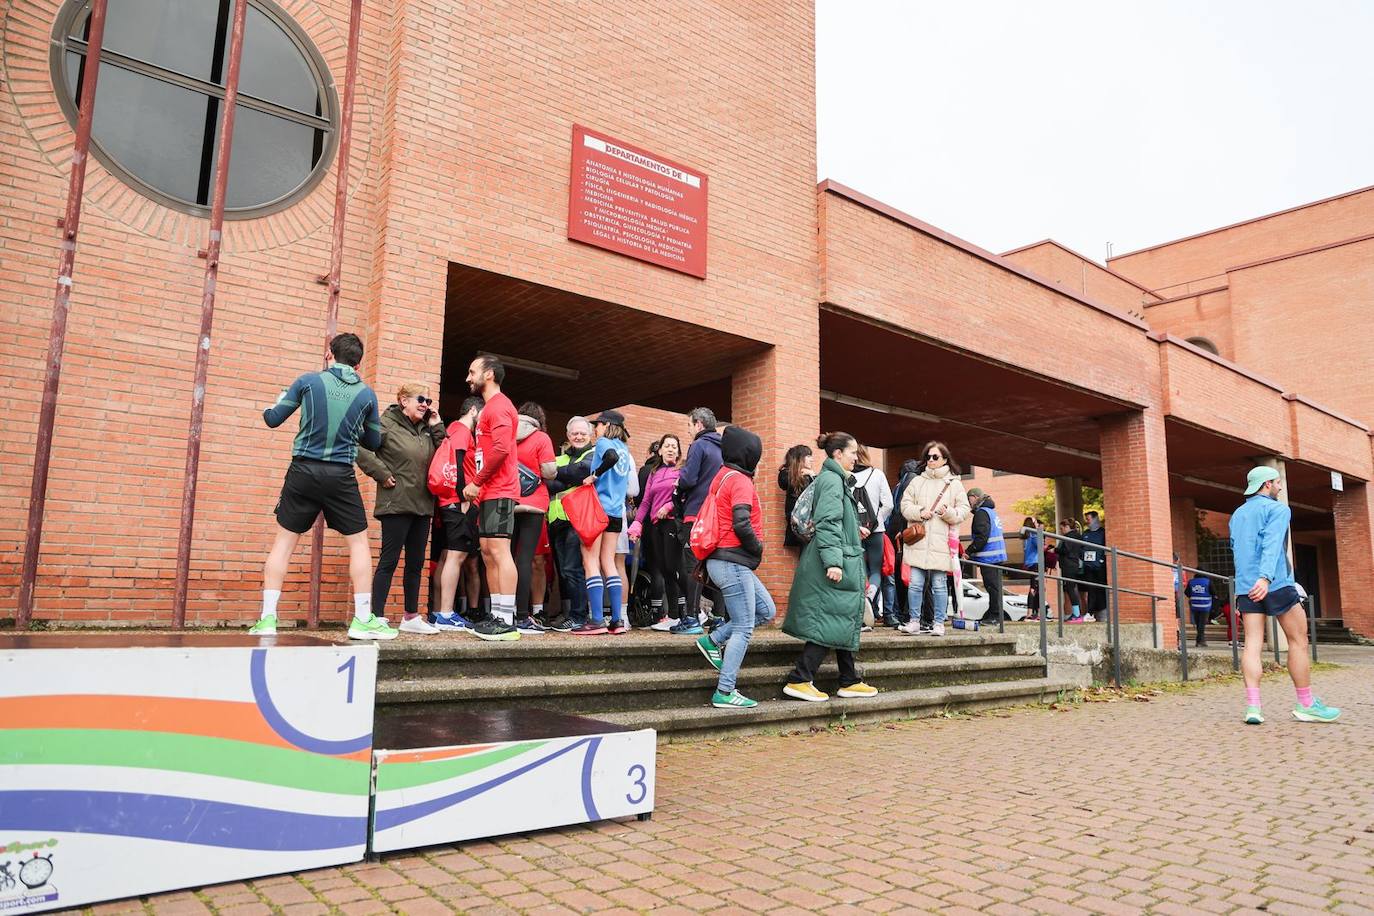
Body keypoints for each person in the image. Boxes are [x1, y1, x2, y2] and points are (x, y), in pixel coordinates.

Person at [251, 333, 393, 640]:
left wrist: (274, 403)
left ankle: (267, 619)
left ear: (330, 354)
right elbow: (373, 441)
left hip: (302, 470)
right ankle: (362, 619)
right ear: (359, 362)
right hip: (340, 475)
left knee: (284, 544)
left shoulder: (307, 381)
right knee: (357, 543)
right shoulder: (367, 395)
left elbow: (273, 419)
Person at [1231, 466, 1340, 724]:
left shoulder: (1237, 514)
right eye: (1278, 483)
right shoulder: (1278, 509)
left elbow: (1237, 550)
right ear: (1267, 484)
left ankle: (1254, 708)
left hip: (1247, 587)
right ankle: (1306, 704)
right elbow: (1271, 543)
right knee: (1298, 640)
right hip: (1275, 582)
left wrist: (1243, 588)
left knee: (1253, 644)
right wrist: (1266, 577)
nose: (1280, 487)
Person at [782, 432, 879, 702]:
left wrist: (853, 528)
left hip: (839, 555)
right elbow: (827, 522)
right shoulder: (833, 481)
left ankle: (849, 679)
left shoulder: (835, 479)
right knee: (831, 618)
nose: (855, 458)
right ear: (837, 454)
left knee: (840, 617)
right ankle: (800, 678)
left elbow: (836, 520)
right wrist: (834, 562)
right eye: (851, 453)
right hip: (834, 560)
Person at [355, 382, 447, 634]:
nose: (425, 404)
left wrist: (436, 425)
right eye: (420, 399)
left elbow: (444, 454)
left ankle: (410, 617)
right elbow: (359, 447)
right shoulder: (385, 423)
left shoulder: (425, 429)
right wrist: (381, 473)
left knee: (417, 563)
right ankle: (377, 616)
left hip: (422, 504)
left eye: (428, 401)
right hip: (395, 503)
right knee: (389, 560)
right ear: (403, 400)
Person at [693, 425, 774, 709]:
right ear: (748, 454)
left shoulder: (722, 476)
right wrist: (758, 548)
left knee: (766, 610)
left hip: (723, 560)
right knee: (743, 628)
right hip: (732, 562)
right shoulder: (739, 480)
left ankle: (712, 640)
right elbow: (741, 522)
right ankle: (725, 691)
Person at [460, 355, 520, 641]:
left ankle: (507, 620)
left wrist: (475, 482)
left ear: (490, 374)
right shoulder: (488, 409)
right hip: (488, 491)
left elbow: (500, 450)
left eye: (473, 372)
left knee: (498, 551)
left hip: (500, 489)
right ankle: (497, 615)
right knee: (487, 551)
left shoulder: (500, 407)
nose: (468, 378)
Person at [897, 442, 969, 636]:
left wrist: (948, 512)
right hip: (919, 540)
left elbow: (964, 510)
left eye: (935, 457)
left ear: (945, 459)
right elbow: (904, 506)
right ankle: (914, 621)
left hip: (940, 542)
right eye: (928, 457)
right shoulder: (917, 481)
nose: (930, 460)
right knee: (915, 584)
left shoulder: (954, 483)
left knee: (938, 584)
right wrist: (920, 512)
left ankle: (938, 623)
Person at [572, 410, 634, 635]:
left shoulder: (604, 443)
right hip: (617, 512)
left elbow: (610, 458)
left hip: (598, 509)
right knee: (609, 562)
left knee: (590, 561)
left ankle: (597, 619)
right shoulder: (625, 449)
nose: (595, 429)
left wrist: (594, 475)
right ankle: (617, 620)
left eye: (597, 425)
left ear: (606, 425)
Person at [431, 396, 483, 630]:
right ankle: (446, 613)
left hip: (449, 501)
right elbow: (459, 463)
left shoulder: (453, 429)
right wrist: (464, 498)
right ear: (473, 411)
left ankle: (439, 611)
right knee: (456, 556)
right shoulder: (462, 430)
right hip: (458, 501)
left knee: (446, 556)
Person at [671, 407, 723, 634]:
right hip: (718, 517)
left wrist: (678, 484)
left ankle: (691, 619)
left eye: (689, 425)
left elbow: (689, 478)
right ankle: (719, 618)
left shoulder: (699, 445)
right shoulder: (724, 449)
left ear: (699, 424)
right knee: (717, 568)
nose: (689, 430)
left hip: (696, 515)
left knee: (692, 567)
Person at [630, 435, 688, 631]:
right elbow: (646, 502)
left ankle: (685, 613)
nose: (671, 449)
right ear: (660, 450)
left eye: (674, 446)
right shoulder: (654, 473)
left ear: (678, 452)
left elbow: (684, 496)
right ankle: (672, 617)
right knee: (664, 570)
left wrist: (669, 506)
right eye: (667, 446)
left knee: (673, 569)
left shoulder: (682, 471)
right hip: (655, 526)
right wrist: (637, 524)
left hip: (672, 524)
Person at [545, 417, 596, 630]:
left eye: (583, 433)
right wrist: (569, 478)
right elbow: (547, 482)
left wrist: (559, 476)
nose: (579, 436)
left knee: (573, 569)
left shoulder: (592, 455)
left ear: (590, 435)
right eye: (574, 433)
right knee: (564, 571)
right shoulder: (559, 459)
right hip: (556, 519)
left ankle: (578, 616)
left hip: (577, 518)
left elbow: (583, 471)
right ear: (568, 436)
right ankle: (572, 614)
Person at [512, 402, 557, 635]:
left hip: (509, 500)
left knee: (506, 558)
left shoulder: (507, 432)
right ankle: (522, 615)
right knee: (525, 559)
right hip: (534, 503)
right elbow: (549, 471)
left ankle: (503, 612)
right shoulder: (541, 438)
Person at [852, 445, 894, 622]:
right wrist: (877, 521)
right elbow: (889, 504)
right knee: (876, 569)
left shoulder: (847, 476)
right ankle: (870, 597)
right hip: (876, 531)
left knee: (859, 569)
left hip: (854, 530)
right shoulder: (877, 474)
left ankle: (861, 606)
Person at [966, 488, 1007, 626]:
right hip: (997, 555)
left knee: (992, 587)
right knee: (995, 587)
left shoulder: (981, 513)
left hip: (989, 558)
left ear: (975, 497)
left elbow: (981, 536)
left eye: (969, 499)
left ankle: (995, 616)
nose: (968, 503)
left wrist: (969, 551)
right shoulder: (991, 512)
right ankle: (993, 614)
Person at [776, 444, 815, 549]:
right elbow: (784, 481)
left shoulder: (810, 476)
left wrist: (812, 475)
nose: (812, 459)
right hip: (800, 525)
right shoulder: (788, 475)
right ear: (799, 458)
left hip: (812, 524)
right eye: (808, 456)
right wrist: (801, 474)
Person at [1056, 518, 1086, 622]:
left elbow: (1066, 550)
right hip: (1074, 564)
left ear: (1067, 527)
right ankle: (1076, 613)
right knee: (1071, 589)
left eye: (1062, 528)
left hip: (1069, 565)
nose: (1061, 531)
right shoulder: (1078, 536)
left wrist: (1054, 550)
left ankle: (1077, 614)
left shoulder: (1069, 537)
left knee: (1071, 589)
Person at [1082, 511, 1108, 619]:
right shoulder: (1086, 533)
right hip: (1089, 567)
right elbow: (1081, 548)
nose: (1087, 522)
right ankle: (1090, 612)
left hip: (1100, 566)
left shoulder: (1103, 533)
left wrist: (1101, 559)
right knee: (1091, 589)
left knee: (1101, 589)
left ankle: (1102, 611)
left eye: (1088, 519)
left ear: (1095, 519)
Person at [1186, 571, 1219, 647]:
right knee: (1202, 624)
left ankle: (1200, 640)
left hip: (1194, 605)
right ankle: (1200, 641)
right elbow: (1214, 592)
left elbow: (1187, 593)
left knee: (1198, 624)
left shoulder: (1191, 582)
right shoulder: (1207, 581)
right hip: (1205, 605)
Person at [1021, 517, 1042, 619]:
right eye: (1036, 522)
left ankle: (1035, 612)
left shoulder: (1026, 537)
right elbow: (1040, 546)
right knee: (1034, 588)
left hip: (1030, 563)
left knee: (1035, 588)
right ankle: (1031, 613)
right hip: (1036, 563)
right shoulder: (1033, 535)